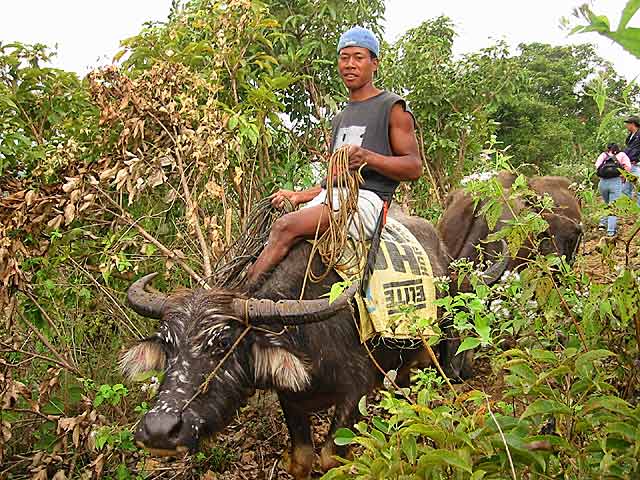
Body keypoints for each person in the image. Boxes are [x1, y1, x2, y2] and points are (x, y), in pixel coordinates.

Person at [246, 26, 422, 287]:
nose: (350, 64)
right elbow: (333, 180)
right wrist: (297, 196)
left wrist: (368, 158)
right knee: (271, 237)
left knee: (285, 227)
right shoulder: (340, 118)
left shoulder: (391, 107)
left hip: (368, 202)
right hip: (334, 199)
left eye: (358, 57)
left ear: (374, 63)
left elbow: (414, 167)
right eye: (344, 57)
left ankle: (241, 296)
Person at [596, 143, 632, 237]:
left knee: (606, 203)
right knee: (613, 207)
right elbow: (628, 167)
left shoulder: (603, 155)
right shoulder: (622, 155)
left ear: (608, 148)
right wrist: (623, 177)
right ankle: (610, 231)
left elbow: (597, 166)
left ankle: (602, 224)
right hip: (616, 182)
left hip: (603, 183)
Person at [622, 115, 640, 204]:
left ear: (632, 124)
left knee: (638, 188)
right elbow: (628, 149)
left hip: (636, 165)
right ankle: (628, 210)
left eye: (627, 124)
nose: (626, 126)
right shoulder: (630, 137)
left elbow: (635, 150)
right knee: (625, 190)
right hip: (630, 165)